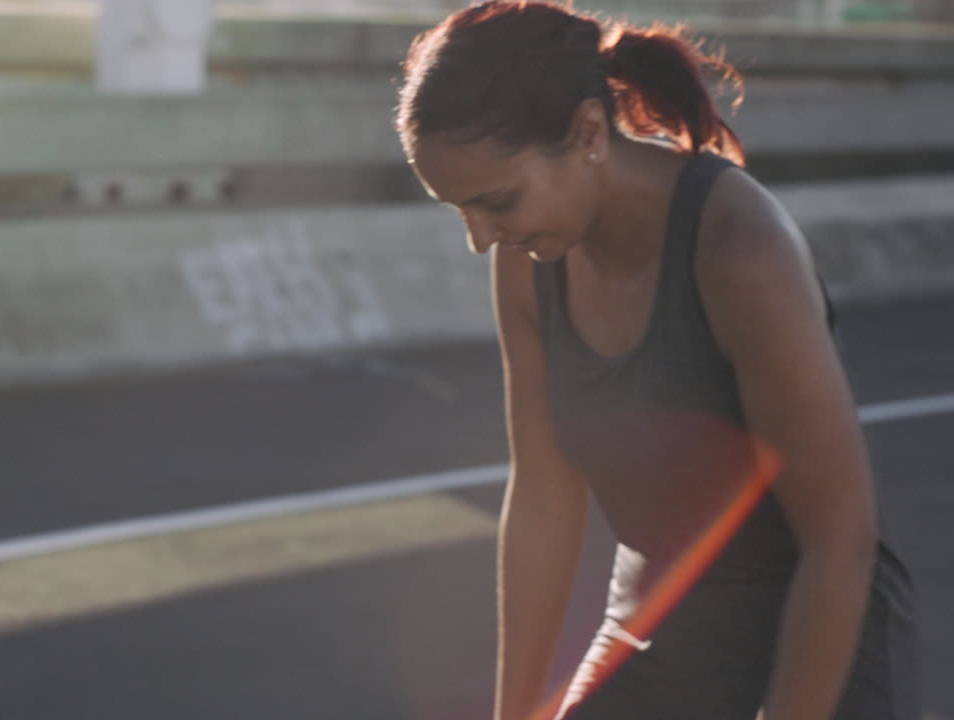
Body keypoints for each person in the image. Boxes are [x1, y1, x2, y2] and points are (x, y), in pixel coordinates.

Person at [393, 2, 920, 719]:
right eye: (460, 211)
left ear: (586, 133)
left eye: (495, 203)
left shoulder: (738, 244)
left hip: (819, 623)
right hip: (657, 623)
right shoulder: (529, 255)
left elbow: (839, 540)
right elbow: (545, 495)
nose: (480, 239)